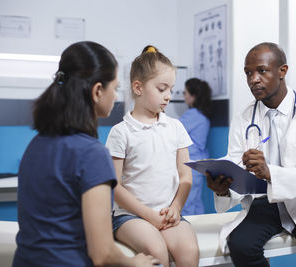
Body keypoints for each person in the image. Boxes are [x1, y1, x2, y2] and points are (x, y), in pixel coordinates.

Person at [206, 42, 296, 267]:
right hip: (267, 202)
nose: (253, 79)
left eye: (261, 71)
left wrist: (270, 173)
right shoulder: (244, 117)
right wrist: (225, 188)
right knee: (241, 246)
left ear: (282, 71)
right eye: (248, 73)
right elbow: (235, 164)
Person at [13, 41, 159, 267]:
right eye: (115, 88)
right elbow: (103, 254)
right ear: (98, 91)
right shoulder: (91, 154)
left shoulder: (36, 144)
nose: (116, 96)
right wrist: (135, 262)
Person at [105, 45, 199, 267]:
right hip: (130, 217)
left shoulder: (175, 128)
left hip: (168, 213)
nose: (168, 96)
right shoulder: (121, 132)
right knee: (157, 250)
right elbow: (115, 186)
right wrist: (148, 214)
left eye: (171, 90)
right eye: (161, 89)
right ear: (138, 87)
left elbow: (185, 177)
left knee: (189, 250)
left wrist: (175, 208)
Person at [179, 78, 212, 215]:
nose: (184, 96)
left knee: (187, 203)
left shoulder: (192, 116)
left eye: (185, 92)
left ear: (193, 96)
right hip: (199, 163)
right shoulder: (203, 116)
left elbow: (174, 131)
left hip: (190, 164)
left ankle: (188, 233)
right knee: (196, 201)